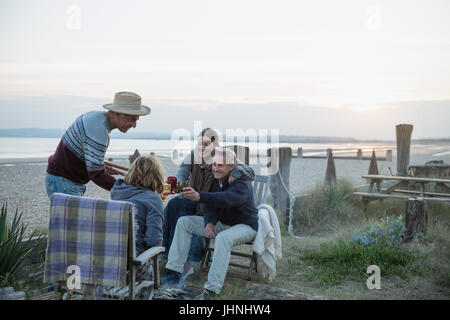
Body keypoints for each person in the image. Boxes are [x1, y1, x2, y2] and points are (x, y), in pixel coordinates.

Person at [163, 147, 259, 296]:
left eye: (220, 165)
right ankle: (174, 273)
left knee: (223, 238)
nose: (215, 169)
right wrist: (209, 223)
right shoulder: (216, 181)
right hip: (223, 223)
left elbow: (227, 199)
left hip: (245, 225)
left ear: (232, 167)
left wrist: (200, 196)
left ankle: (211, 289)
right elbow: (212, 206)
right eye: (214, 164)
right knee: (184, 222)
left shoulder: (242, 182)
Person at [45, 91, 150, 199]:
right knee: (68, 217)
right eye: (132, 120)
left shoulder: (96, 118)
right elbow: (95, 174)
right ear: (118, 113)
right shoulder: (98, 130)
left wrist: (101, 168)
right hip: (64, 180)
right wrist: (127, 190)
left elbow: (88, 161)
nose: (134, 125)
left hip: (63, 178)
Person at [110, 155, 164, 255]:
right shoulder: (153, 199)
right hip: (134, 260)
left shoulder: (117, 192)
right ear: (157, 176)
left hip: (110, 255)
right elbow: (153, 240)